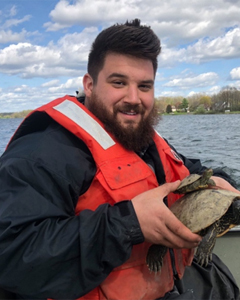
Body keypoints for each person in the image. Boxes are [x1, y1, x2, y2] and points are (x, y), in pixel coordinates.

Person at [0, 19, 239, 300]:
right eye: (119, 82)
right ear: (89, 85)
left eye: (145, 86)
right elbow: (12, 254)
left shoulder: (143, 138)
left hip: (167, 284)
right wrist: (129, 224)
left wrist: (225, 182)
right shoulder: (44, 150)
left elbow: (190, 171)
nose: (134, 98)